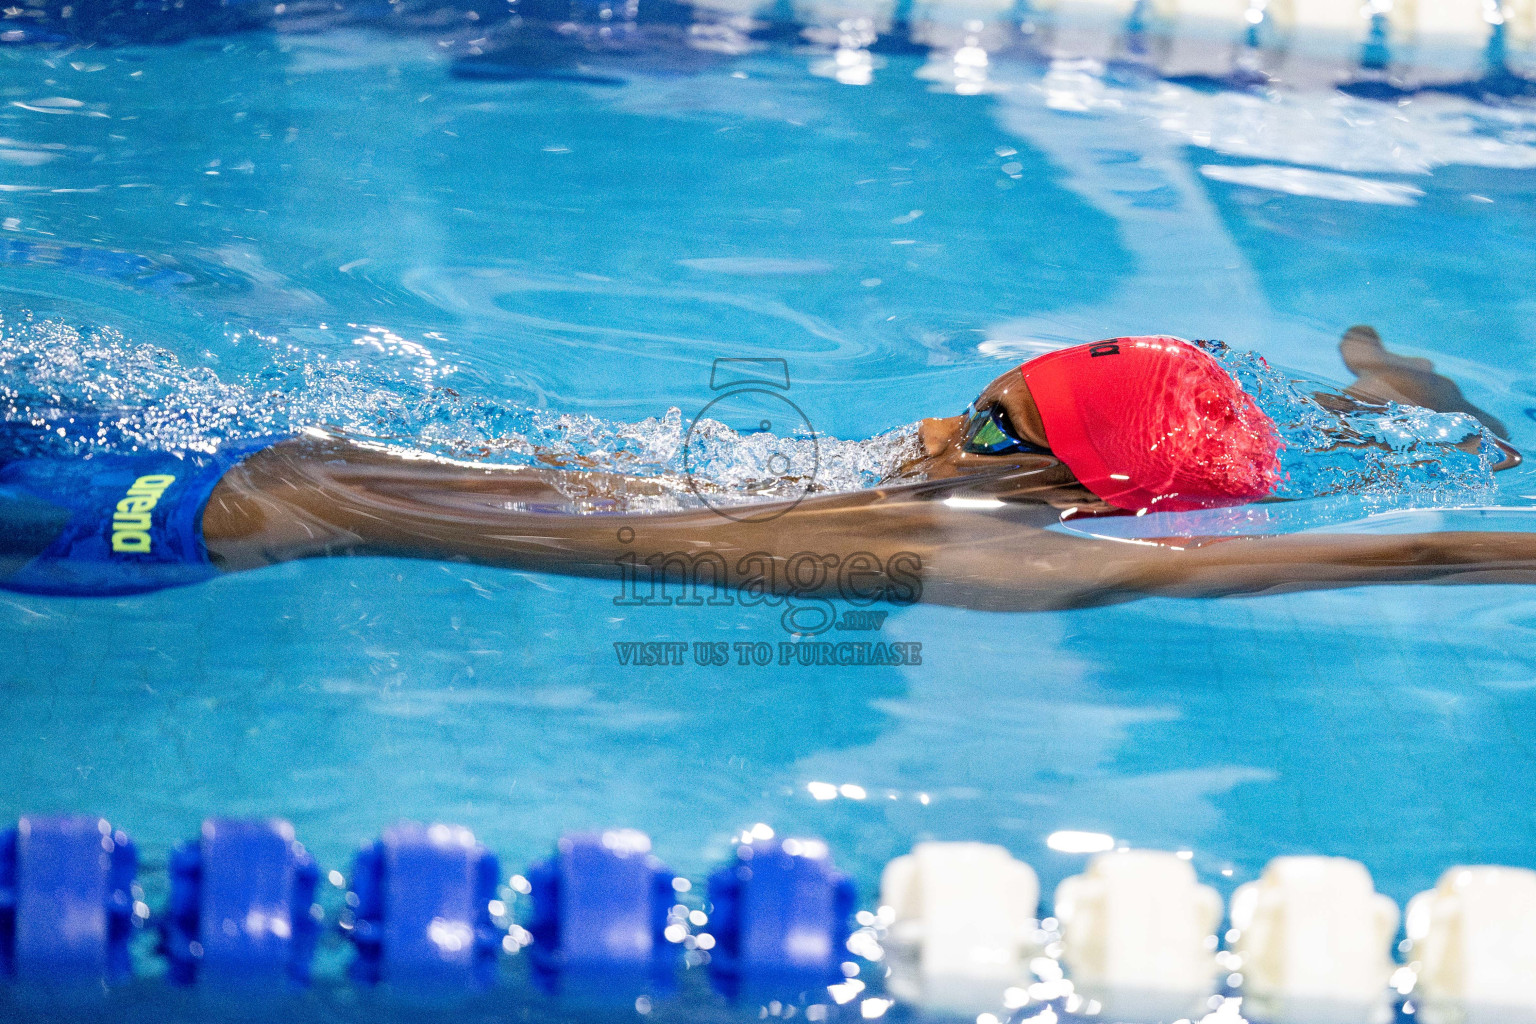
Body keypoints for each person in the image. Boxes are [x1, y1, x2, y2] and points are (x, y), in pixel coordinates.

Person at [0, 326, 1528, 610]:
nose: (940, 434)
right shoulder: (990, 508)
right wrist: (1382, 391)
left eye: (994, 432)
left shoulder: (1045, 557)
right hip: (280, 487)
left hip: (242, 511)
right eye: (971, 401)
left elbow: (1405, 553)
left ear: (1080, 500)